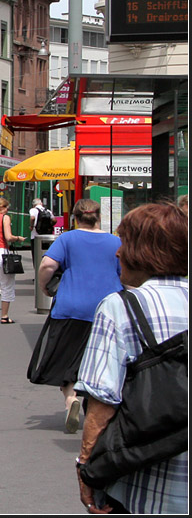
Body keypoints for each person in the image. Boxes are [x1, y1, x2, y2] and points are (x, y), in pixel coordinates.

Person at [75, 202, 188, 514]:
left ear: (144, 251)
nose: (117, 252)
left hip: (145, 489)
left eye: (124, 242)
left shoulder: (119, 307)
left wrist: (87, 468)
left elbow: (102, 404)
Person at [28, 199, 122, 434]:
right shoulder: (115, 241)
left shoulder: (67, 238)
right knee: (101, 361)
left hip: (71, 307)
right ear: (99, 216)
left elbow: (48, 265)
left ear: (75, 218)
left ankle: (71, 399)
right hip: (107, 310)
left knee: (66, 358)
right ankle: (97, 409)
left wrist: (43, 286)